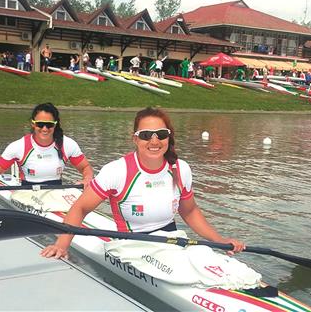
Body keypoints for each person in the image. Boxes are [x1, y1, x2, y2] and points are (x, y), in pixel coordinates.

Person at [41, 107, 245, 260]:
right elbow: (80, 208)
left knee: (208, 258)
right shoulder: (117, 171)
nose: (154, 141)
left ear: (169, 137)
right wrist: (62, 245)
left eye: (161, 135)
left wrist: (219, 241)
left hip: (171, 238)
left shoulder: (181, 169)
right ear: (135, 139)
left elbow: (190, 212)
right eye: (146, 135)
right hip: (130, 246)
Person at [0, 103, 94, 189]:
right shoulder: (18, 147)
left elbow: (86, 167)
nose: (45, 129)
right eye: (40, 124)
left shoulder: (67, 144)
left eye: (49, 125)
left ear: (56, 124)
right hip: (26, 193)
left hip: (57, 192)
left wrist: (87, 178)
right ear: (33, 124)